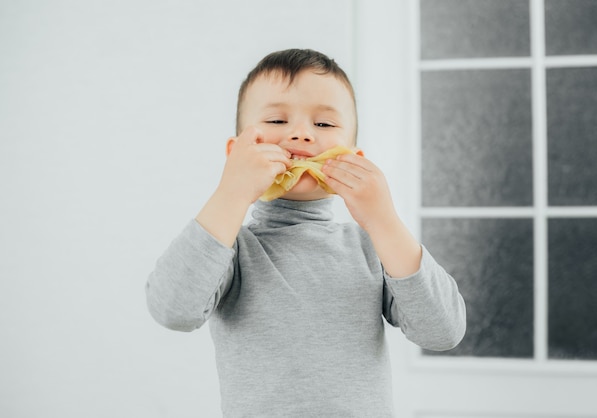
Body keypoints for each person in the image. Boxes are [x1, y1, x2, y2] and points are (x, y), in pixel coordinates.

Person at [146, 48, 466, 417]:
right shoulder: (230, 252)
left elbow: (443, 332)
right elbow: (172, 310)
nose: (300, 135)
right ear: (236, 153)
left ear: (353, 158)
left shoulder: (373, 247)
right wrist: (231, 192)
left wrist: (385, 220)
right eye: (277, 121)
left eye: (324, 125)